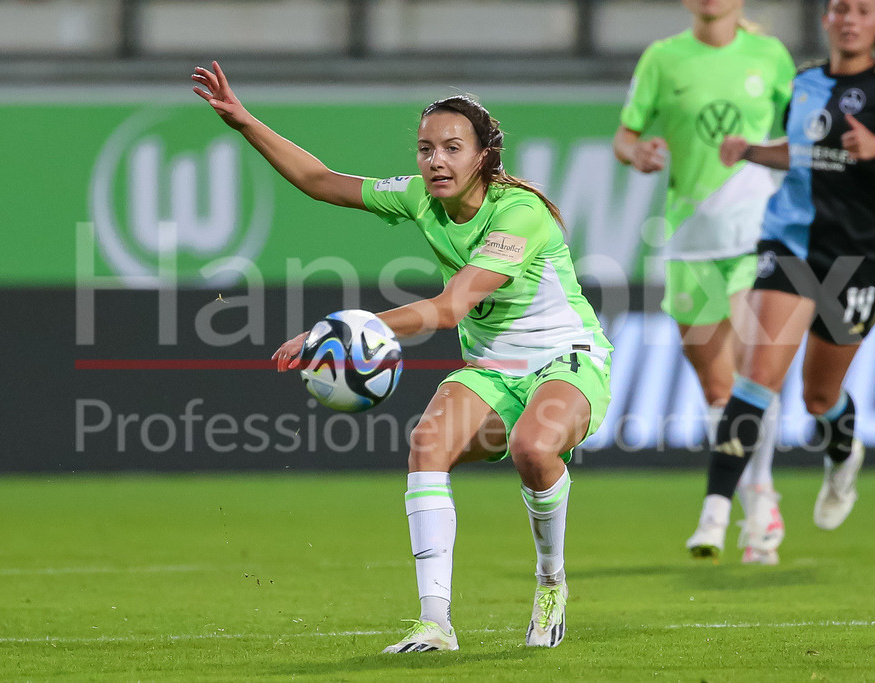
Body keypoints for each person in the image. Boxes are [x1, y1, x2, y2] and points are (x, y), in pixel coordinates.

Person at [192, 62, 613, 652]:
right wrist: (244, 123)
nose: (435, 161)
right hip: (492, 367)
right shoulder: (420, 197)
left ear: (484, 155)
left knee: (533, 448)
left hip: (566, 358)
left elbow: (450, 308)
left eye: (452, 148)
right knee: (427, 446)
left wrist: (344, 330)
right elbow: (320, 180)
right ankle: (435, 623)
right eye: (425, 149)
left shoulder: (519, 213)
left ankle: (550, 582)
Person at [707, 0, 875, 539]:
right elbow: (802, 152)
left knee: (818, 398)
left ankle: (843, 457)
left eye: (862, 11)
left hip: (856, 259)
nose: (849, 19)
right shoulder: (805, 82)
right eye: (841, 9)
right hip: (791, 244)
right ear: (826, 19)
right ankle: (715, 515)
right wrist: (751, 151)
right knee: (760, 373)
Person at [613, 0, 796, 564]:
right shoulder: (663, 59)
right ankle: (755, 498)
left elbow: (801, 140)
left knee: (752, 375)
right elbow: (624, 137)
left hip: (756, 231)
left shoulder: (770, 55)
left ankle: (757, 505)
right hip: (690, 238)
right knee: (718, 390)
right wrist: (638, 152)